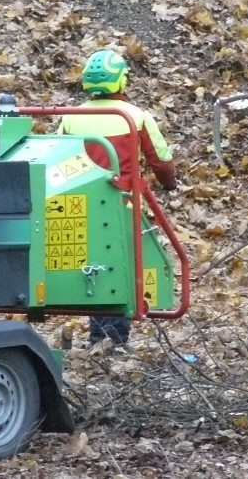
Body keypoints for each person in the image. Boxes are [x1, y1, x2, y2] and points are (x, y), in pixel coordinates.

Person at [60, 49, 178, 345]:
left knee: (94, 264)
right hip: (123, 203)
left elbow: (55, 154)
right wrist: (169, 182)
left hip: (82, 203)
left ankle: (97, 335)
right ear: (122, 81)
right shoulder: (135, 116)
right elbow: (160, 158)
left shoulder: (72, 117)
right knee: (122, 265)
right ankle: (116, 338)